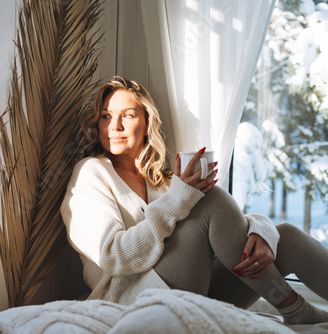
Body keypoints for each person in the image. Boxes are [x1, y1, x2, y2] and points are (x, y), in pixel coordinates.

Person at [60, 76, 328, 325]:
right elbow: (113, 256)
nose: (114, 126)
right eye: (106, 116)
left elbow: (228, 227)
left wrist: (264, 230)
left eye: (127, 115)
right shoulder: (91, 173)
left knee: (286, 236)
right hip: (132, 303)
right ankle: (296, 310)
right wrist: (180, 199)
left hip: (188, 292)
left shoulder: (163, 181)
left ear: (147, 124)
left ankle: (298, 308)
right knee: (209, 199)